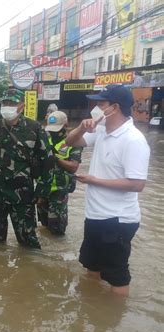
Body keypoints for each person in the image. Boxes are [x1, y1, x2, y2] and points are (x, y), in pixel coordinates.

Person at [65, 84, 150, 296]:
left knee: (116, 275)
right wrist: (82, 127)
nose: (96, 107)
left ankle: (114, 318)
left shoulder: (133, 139)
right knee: (91, 266)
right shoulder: (101, 130)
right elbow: (69, 142)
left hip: (118, 220)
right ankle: (93, 309)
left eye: (100, 103)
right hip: (95, 215)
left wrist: (94, 180)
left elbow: (137, 184)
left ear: (114, 107)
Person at [0, 88, 54, 249]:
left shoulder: (35, 128)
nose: (7, 106)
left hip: (23, 195)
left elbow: (48, 160)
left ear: (22, 105)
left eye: (12, 103)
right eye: (5, 103)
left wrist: (42, 190)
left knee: (28, 244)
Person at [37, 111, 82, 235]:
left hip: (59, 192)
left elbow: (73, 167)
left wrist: (56, 158)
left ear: (65, 125)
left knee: (56, 231)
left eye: (57, 129)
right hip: (43, 190)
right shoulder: (45, 140)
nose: (53, 132)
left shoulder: (73, 142)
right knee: (44, 227)